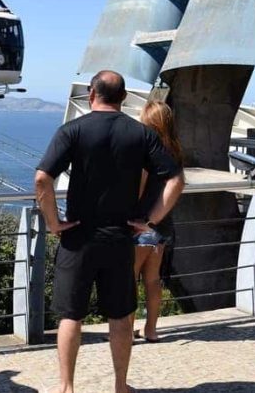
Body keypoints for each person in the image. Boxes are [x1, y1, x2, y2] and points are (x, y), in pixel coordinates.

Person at [35, 71, 184, 393]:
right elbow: (176, 180)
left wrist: (52, 223)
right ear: (124, 97)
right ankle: (120, 386)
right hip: (120, 238)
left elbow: (42, 179)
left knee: (71, 316)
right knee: (120, 316)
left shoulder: (72, 131)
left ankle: (66, 387)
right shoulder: (140, 134)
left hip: (77, 237)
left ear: (91, 94)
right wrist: (151, 221)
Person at [133, 100, 184, 343]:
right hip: (162, 224)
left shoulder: (146, 151)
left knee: (128, 279)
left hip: (141, 224)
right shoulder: (173, 151)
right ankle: (151, 329)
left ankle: (126, 330)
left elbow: (139, 187)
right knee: (152, 280)